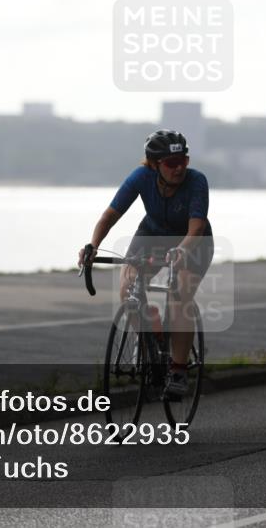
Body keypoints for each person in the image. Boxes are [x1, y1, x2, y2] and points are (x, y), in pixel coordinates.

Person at [78, 129, 214, 398]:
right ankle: (150, 336)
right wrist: (92, 245)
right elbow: (109, 216)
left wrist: (181, 251)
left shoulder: (197, 181)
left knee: (181, 290)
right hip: (152, 234)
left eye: (183, 162)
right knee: (127, 286)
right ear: (154, 165)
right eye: (171, 164)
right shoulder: (141, 177)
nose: (179, 169)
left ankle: (178, 370)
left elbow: (195, 229)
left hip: (192, 241)